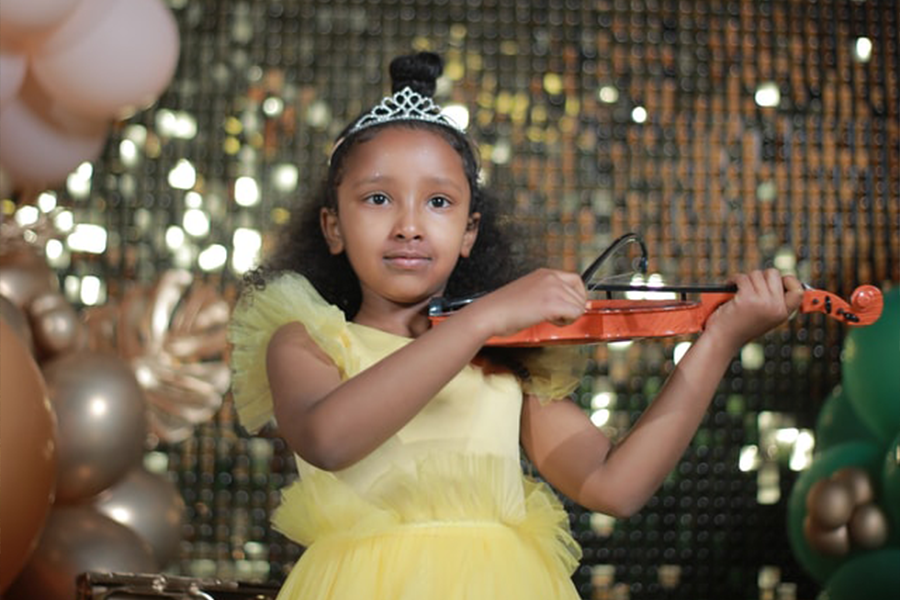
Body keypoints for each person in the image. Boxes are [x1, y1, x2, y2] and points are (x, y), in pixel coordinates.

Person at [228, 52, 804, 599]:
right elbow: (330, 439)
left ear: (470, 231)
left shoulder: (502, 356)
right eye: (378, 198)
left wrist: (719, 340)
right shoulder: (305, 340)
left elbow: (614, 486)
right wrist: (486, 316)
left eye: (438, 202)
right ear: (333, 227)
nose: (408, 226)